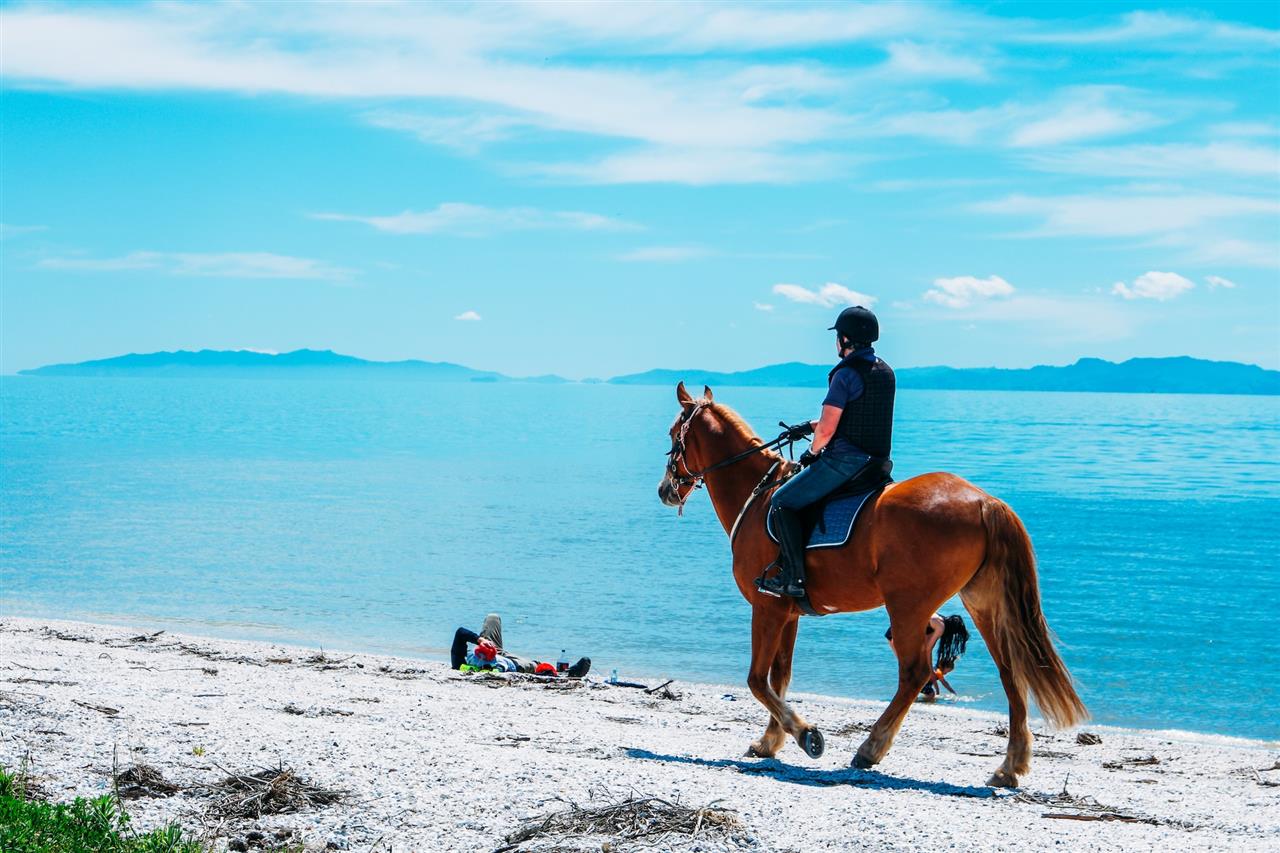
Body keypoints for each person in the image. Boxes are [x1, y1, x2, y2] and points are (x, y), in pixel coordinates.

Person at [757, 305, 895, 598]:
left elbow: (829, 430)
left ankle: (793, 579)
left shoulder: (844, 375)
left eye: (838, 337)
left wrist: (811, 452)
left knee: (782, 501)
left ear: (845, 339)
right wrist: (807, 426)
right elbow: (857, 416)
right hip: (878, 463)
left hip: (846, 461)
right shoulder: (883, 371)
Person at [450, 613, 591, 677]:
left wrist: (480, 640)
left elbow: (460, 633)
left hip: (491, 649)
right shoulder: (472, 669)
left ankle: (486, 641)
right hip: (512, 663)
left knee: (492, 618)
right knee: (535, 665)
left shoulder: (460, 661)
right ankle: (567, 673)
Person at [885, 613, 970, 700]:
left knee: (910, 669)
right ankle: (905, 699)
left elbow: (924, 647)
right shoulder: (940, 626)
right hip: (898, 633)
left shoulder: (936, 620)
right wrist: (930, 671)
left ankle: (910, 698)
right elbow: (927, 650)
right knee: (910, 669)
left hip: (897, 629)